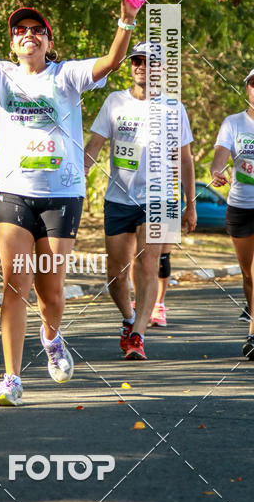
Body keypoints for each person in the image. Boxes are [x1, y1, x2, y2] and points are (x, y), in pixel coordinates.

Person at [0, 0, 151, 406]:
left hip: (62, 196)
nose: (28, 35)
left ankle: (52, 336)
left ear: (48, 41)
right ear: (11, 44)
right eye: (19, 31)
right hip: (13, 194)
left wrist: (127, 19)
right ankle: (11, 378)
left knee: (51, 291)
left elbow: (112, 62)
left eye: (36, 30)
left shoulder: (67, 77)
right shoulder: (1, 76)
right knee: (14, 283)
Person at [84, 42, 197, 360]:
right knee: (116, 274)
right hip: (119, 198)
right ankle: (129, 319)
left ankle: (138, 336)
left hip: (159, 198)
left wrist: (191, 204)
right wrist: (74, 178)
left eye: (149, 62)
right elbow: (94, 145)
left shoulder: (174, 109)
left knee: (148, 265)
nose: (141, 66)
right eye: (136, 61)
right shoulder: (114, 102)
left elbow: (185, 160)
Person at [211, 68, 254, 359]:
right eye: (253, 84)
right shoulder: (233, 123)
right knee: (249, 274)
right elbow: (220, 157)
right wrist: (217, 172)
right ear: (247, 90)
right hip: (240, 205)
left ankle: (253, 334)